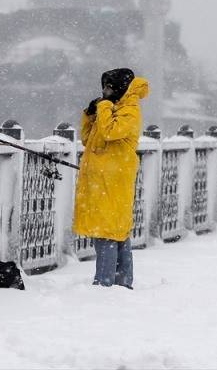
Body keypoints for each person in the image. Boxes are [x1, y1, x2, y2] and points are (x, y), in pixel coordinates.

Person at [73, 68, 149, 288]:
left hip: (114, 181)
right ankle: (122, 280)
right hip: (102, 180)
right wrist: (89, 116)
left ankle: (105, 283)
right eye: (103, 87)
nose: (105, 92)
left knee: (108, 231)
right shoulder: (114, 109)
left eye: (109, 87)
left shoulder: (130, 111)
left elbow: (109, 133)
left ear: (120, 88)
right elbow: (90, 140)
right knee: (114, 230)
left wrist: (104, 106)